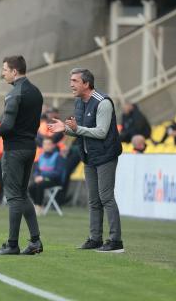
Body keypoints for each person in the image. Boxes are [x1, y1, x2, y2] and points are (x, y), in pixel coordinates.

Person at [48, 68, 124, 253]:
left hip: (105, 155)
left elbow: (101, 132)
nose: (71, 84)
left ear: (86, 84)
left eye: (75, 80)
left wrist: (75, 128)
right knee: (93, 200)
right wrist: (65, 128)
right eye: (70, 80)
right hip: (89, 156)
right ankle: (95, 238)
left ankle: (116, 241)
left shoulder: (103, 102)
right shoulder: (80, 102)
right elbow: (79, 129)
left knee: (106, 197)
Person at [0, 55, 44, 255]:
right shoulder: (36, 92)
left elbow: (8, 125)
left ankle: (12, 244)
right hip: (30, 148)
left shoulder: (15, 93)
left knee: (13, 197)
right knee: (22, 194)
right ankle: (35, 241)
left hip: (15, 150)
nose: (3, 73)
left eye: (5, 69)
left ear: (14, 71)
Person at [28, 137, 65, 215]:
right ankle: (37, 205)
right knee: (31, 187)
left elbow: (58, 173)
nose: (46, 146)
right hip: (42, 179)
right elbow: (37, 170)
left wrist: (43, 177)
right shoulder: (41, 157)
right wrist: (36, 176)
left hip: (54, 180)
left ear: (53, 145)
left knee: (40, 185)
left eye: (49, 144)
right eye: (45, 144)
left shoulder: (58, 156)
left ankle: (39, 206)